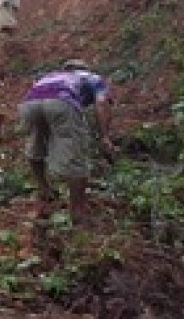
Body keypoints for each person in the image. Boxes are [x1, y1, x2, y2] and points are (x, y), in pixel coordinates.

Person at [18, 59, 114, 225]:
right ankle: (78, 212)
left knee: (36, 143)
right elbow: (101, 103)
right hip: (61, 100)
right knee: (77, 154)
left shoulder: (51, 76)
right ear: (84, 69)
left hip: (30, 102)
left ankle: (44, 189)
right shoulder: (93, 78)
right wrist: (105, 137)